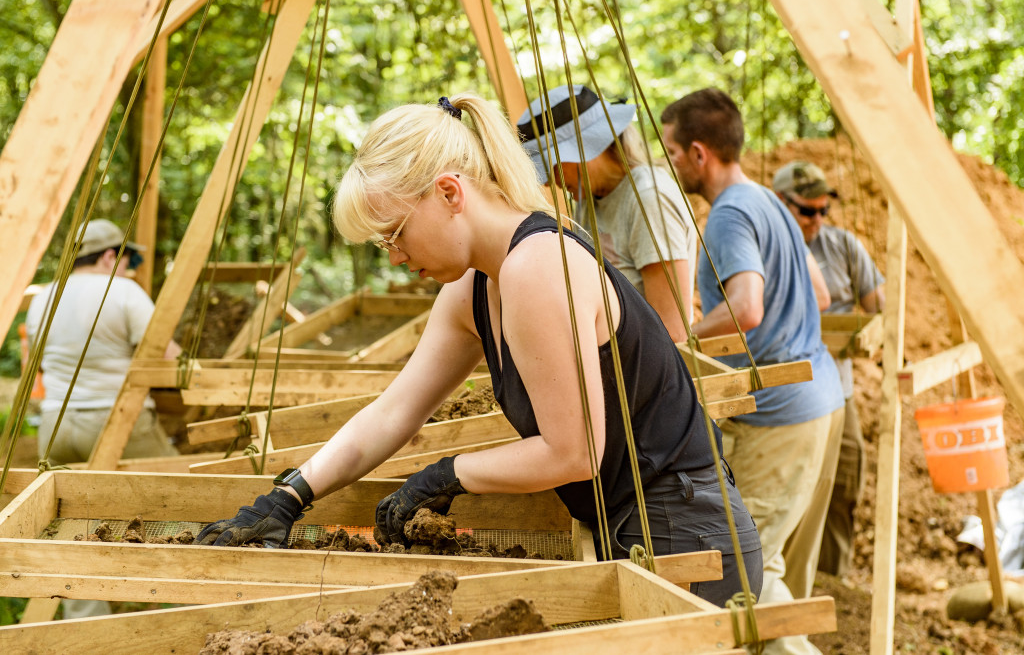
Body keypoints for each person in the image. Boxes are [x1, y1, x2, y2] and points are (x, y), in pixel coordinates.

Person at [195, 93, 762, 608]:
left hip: (686, 532)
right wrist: (291, 495)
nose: (394, 256)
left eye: (394, 234)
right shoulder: (473, 286)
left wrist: (445, 473)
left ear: (448, 193)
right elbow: (395, 410)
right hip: (631, 524)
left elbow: (576, 452)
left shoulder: (539, 264)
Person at [660, 88, 844, 654]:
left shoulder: (730, 214)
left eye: (669, 151)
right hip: (820, 401)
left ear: (698, 153)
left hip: (778, 421)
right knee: (773, 568)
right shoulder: (767, 201)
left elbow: (746, 307)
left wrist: (685, 340)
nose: (667, 163)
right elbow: (820, 290)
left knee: (748, 577)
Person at [25, 218, 180, 619]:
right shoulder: (124, 291)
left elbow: (33, 366)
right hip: (118, 423)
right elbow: (168, 357)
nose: (128, 269)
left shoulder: (43, 297)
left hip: (56, 424)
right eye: (126, 261)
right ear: (111, 256)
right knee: (182, 504)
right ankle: (180, 610)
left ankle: (88, 628)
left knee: (70, 527)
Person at [773, 160, 884, 577]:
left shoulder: (842, 246)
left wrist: (872, 336)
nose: (817, 219)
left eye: (824, 210)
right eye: (808, 211)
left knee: (845, 479)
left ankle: (833, 577)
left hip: (839, 387)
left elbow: (881, 307)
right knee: (790, 485)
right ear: (782, 204)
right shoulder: (767, 246)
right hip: (784, 389)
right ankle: (778, 573)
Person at [516, 85, 697, 340]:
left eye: (552, 166)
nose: (548, 182)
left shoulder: (648, 199)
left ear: (588, 150)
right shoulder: (590, 198)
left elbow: (671, 329)